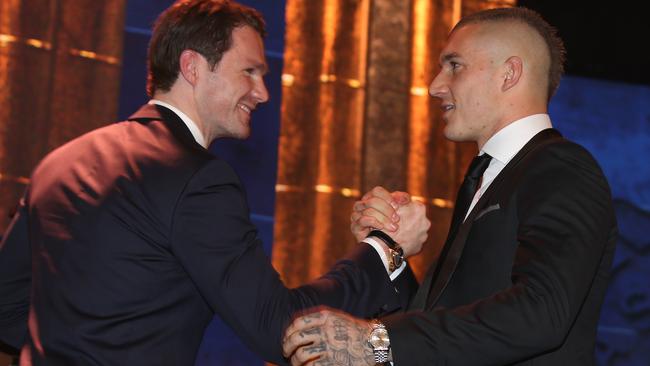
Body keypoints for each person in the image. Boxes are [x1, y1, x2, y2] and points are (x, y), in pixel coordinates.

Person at [0, 1, 431, 365]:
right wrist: (384, 248)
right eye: (249, 71)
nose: (263, 93)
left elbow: (6, 308)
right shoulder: (197, 177)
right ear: (193, 66)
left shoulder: (59, 162)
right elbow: (281, 328)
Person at [283, 7, 617, 365]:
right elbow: (444, 318)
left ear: (509, 74)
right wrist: (391, 250)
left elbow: (541, 312)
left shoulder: (560, 166)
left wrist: (377, 342)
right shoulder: (486, 179)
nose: (434, 86)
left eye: (454, 65)